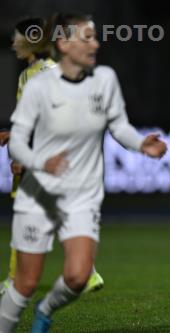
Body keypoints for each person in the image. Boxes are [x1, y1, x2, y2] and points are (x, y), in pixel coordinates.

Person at [0, 13, 167, 333]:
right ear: (63, 43)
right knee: (26, 282)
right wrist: (38, 161)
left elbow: (119, 126)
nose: (96, 43)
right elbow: (18, 141)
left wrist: (141, 143)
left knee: (78, 276)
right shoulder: (38, 85)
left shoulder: (105, 80)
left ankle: (46, 310)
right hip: (38, 194)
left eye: (95, 36)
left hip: (82, 194)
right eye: (87, 37)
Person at [0, 17, 105, 296]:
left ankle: (16, 280)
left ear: (30, 40)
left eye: (17, 37)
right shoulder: (28, 74)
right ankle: (88, 272)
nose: (13, 43)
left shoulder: (49, 71)